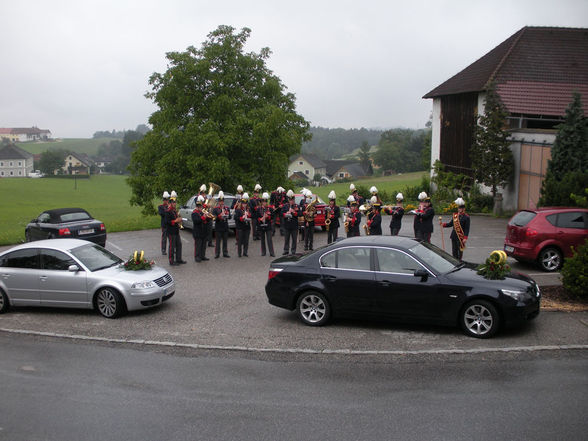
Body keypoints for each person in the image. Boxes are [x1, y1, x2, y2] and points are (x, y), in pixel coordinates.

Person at [165, 198, 186, 265]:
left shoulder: (174, 210)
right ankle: (171, 261)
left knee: (179, 245)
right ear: (170, 203)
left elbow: (176, 218)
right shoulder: (168, 211)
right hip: (171, 231)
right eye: (173, 203)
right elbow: (167, 222)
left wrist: (180, 220)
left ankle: (178, 259)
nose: (175, 204)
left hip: (176, 230)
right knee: (172, 246)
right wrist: (175, 221)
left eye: (175, 202)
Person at [282, 190, 301, 255]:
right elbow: (282, 213)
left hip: (294, 225)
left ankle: (293, 251)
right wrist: (286, 213)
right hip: (287, 225)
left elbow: (300, 214)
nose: (291, 201)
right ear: (288, 200)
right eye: (290, 200)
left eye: (292, 200)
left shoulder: (296, 206)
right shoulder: (285, 206)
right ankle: (286, 250)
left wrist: (294, 212)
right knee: (286, 239)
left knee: (294, 239)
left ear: (294, 200)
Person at [212, 191, 231, 258]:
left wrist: (227, 215)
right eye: (220, 201)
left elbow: (230, 217)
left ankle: (225, 253)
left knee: (225, 241)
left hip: (225, 226)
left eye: (222, 201)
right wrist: (219, 216)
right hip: (218, 227)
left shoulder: (227, 208)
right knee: (218, 241)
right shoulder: (215, 209)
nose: (221, 203)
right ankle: (217, 253)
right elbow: (213, 218)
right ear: (218, 202)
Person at [191, 195, 210, 262]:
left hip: (203, 231)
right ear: (197, 207)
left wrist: (208, 217)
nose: (200, 208)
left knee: (203, 245)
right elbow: (196, 221)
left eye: (201, 206)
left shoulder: (202, 212)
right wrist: (203, 217)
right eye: (199, 207)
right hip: (197, 232)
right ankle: (197, 257)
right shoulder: (194, 213)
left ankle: (202, 256)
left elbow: (206, 221)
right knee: (198, 245)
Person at [234, 193, 251, 257]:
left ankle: (245, 252)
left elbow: (251, 216)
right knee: (240, 241)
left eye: (245, 204)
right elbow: (235, 218)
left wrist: (248, 215)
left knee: (246, 241)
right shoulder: (238, 210)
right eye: (243, 203)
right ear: (241, 203)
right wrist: (241, 218)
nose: (244, 205)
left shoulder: (247, 210)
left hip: (247, 227)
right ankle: (239, 253)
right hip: (240, 227)